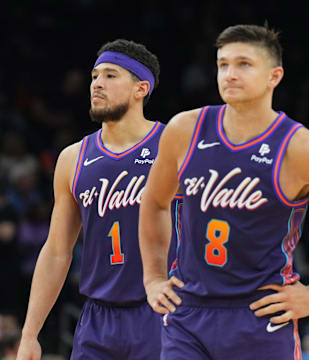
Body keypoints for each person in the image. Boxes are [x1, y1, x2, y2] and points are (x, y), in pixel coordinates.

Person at [139, 24, 309, 360]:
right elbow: (154, 202)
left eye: (244, 64)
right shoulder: (184, 130)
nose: (229, 73)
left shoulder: (303, 149)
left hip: (259, 316)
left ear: (274, 76)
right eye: (223, 64)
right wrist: (153, 277)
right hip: (188, 313)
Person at [16, 39, 182, 360]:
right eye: (94, 76)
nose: (97, 84)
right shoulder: (72, 159)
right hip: (96, 319)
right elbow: (56, 251)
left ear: (141, 88)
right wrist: (29, 334)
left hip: (162, 312)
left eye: (110, 75)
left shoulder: (174, 146)